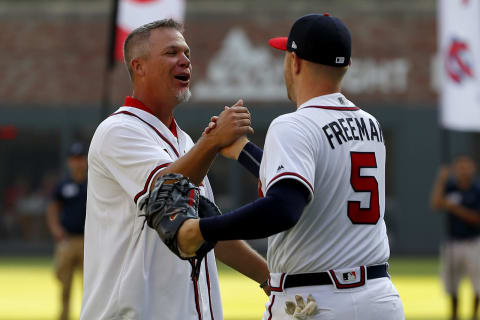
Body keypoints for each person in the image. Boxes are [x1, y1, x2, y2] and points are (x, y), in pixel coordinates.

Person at [178, 13, 405, 319]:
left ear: (294, 62)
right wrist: (244, 152)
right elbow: (313, 186)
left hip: (314, 301)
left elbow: (284, 207)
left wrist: (203, 230)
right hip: (379, 299)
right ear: (346, 66)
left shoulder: (292, 125)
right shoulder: (370, 125)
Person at [81, 19, 269, 320]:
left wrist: (270, 279)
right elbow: (163, 191)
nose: (185, 60)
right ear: (138, 66)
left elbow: (209, 231)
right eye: (171, 52)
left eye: (187, 54)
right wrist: (211, 143)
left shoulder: (184, 142)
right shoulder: (118, 130)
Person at [431, 155, 480, 320]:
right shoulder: (450, 187)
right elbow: (436, 204)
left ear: (473, 168)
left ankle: (474, 315)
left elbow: (476, 218)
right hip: (452, 242)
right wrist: (441, 180)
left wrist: (455, 208)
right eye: (460, 166)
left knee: (477, 284)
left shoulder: (477, 190)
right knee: (452, 284)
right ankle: (454, 315)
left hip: (473, 242)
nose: (463, 170)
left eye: (467, 166)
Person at [46, 142, 88, 320]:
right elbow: (53, 208)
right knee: (65, 285)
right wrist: (56, 229)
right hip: (68, 240)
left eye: (80, 159)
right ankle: (64, 317)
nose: (78, 163)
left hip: (89, 242)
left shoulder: (93, 182)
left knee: (91, 286)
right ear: (69, 162)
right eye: (74, 159)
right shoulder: (63, 184)